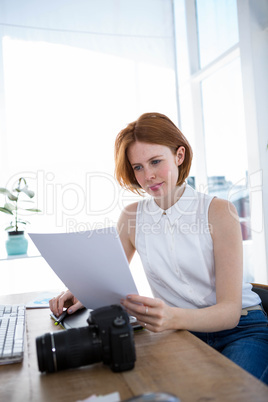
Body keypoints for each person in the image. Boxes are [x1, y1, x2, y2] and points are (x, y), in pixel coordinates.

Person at [50, 112, 268, 384]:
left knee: (231, 393)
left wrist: (170, 317)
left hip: (241, 330)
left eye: (155, 161)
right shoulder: (131, 217)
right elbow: (106, 277)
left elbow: (229, 313)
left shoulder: (220, 212)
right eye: (138, 167)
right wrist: (78, 292)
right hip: (179, 332)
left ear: (179, 156)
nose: (148, 176)